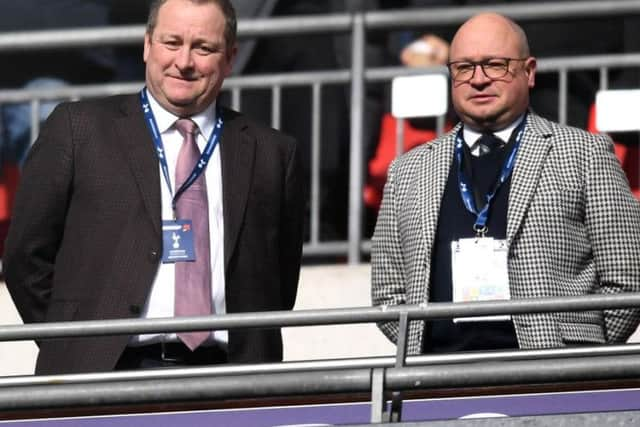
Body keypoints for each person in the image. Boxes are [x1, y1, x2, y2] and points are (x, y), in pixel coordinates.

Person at [3, 0, 304, 374]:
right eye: (171, 42)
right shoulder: (77, 129)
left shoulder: (273, 153)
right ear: (147, 46)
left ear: (229, 58)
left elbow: (279, 279)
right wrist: (72, 344)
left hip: (232, 377)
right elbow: (25, 257)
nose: (184, 61)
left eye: (203, 48)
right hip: (103, 374)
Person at [371, 12, 640, 355]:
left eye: (495, 65)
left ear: (529, 72)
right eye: (464, 68)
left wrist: (575, 351)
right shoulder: (409, 169)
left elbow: (627, 278)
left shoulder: (584, 153)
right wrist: (425, 345)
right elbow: (387, 291)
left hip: (552, 375)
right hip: (437, 377)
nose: (479, 79)